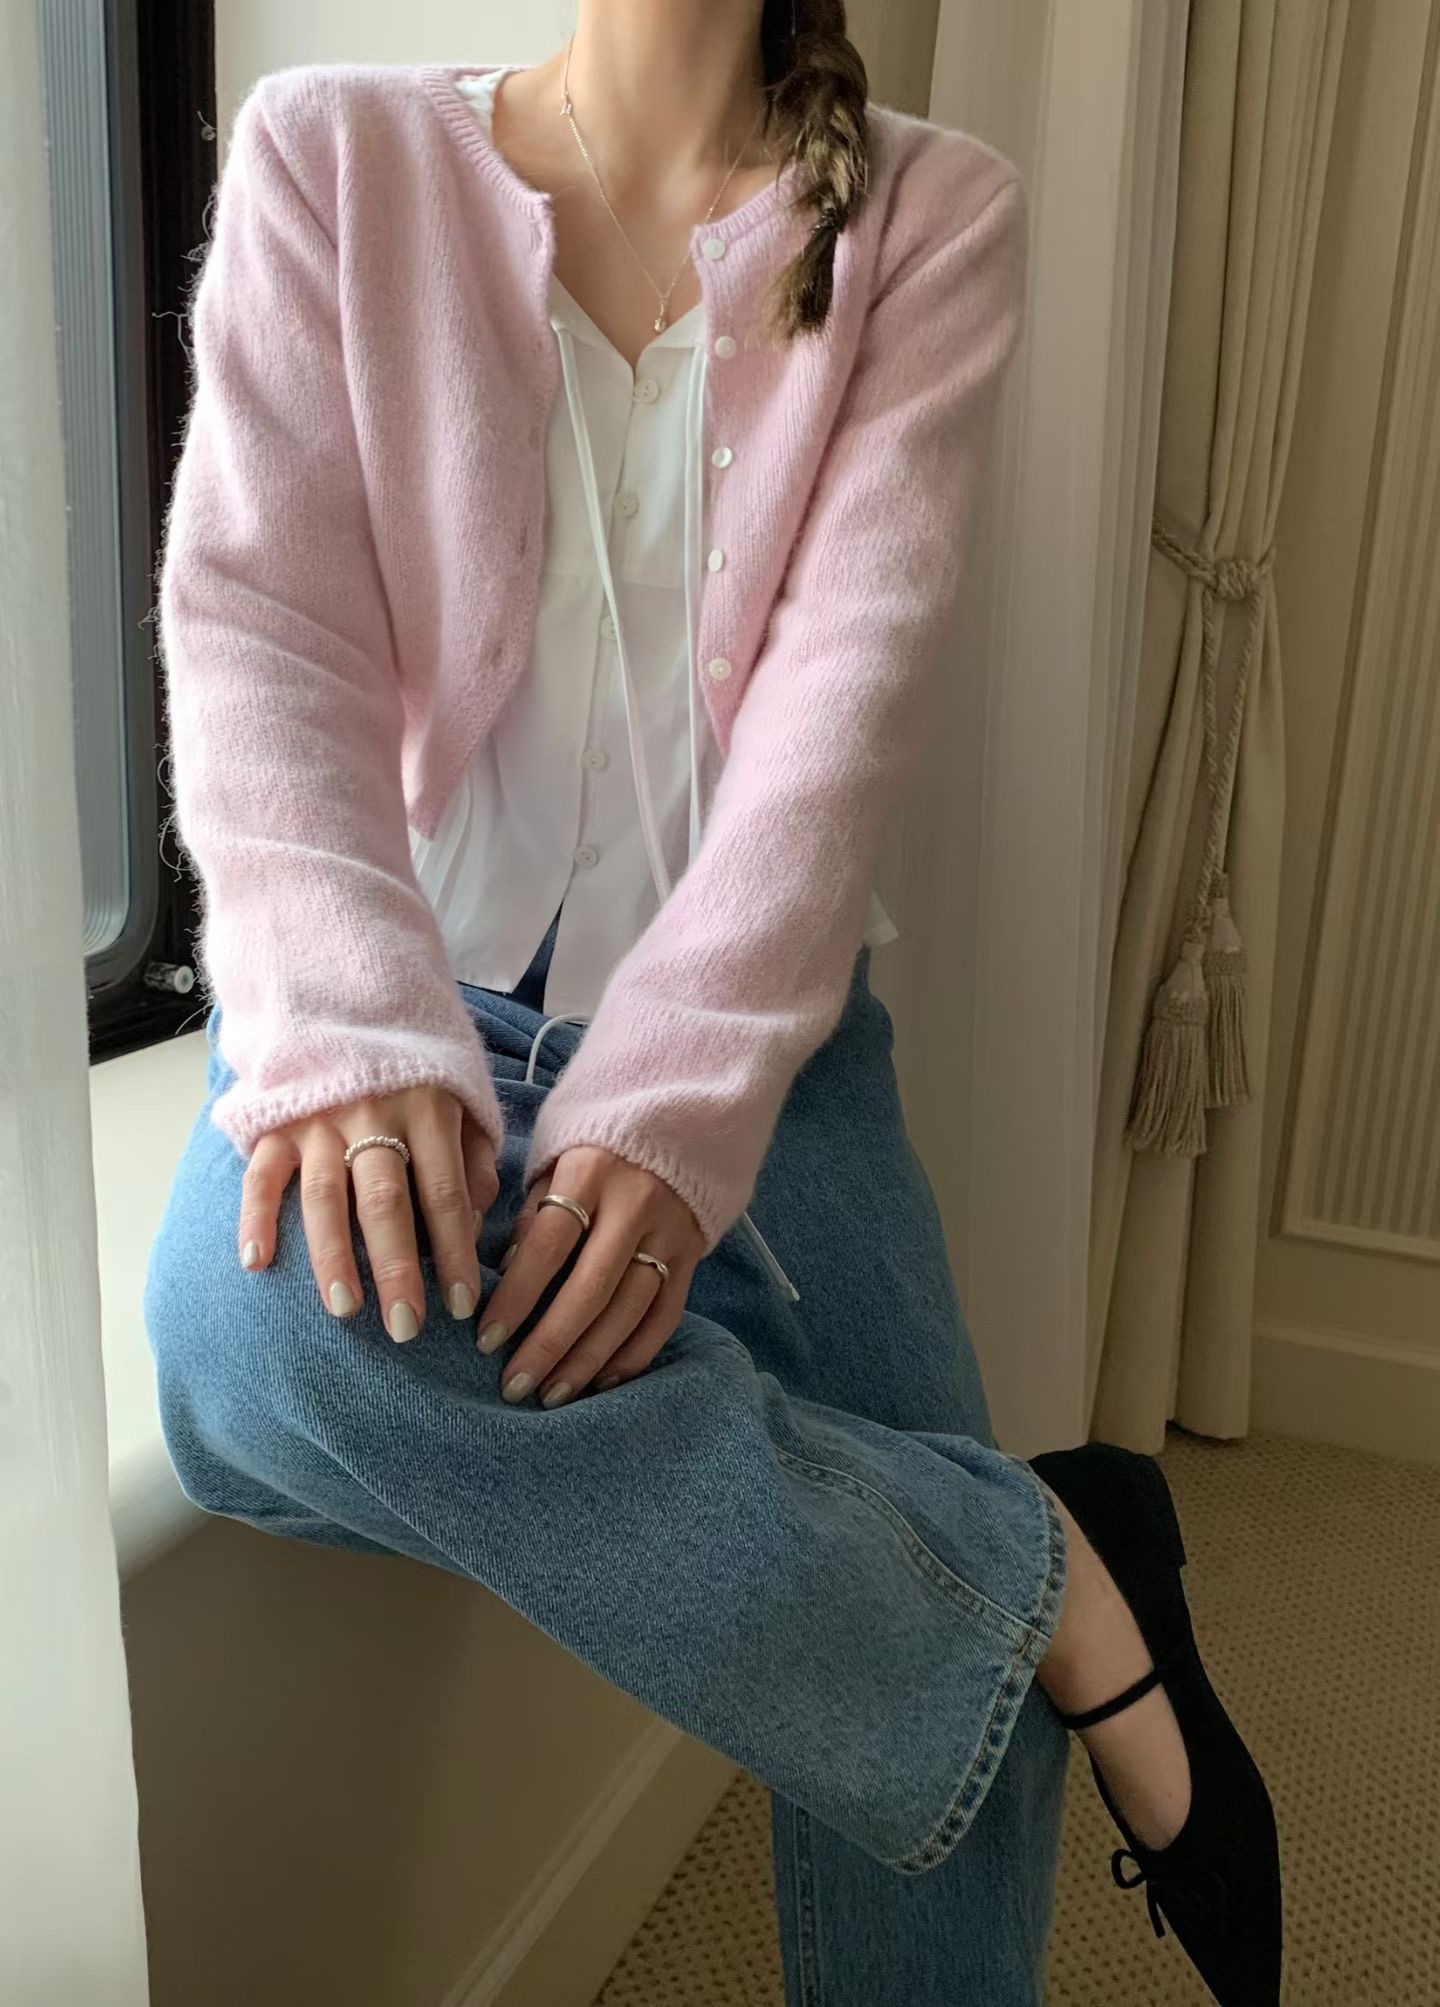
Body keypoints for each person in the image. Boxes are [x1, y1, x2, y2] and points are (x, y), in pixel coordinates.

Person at [144, 6, 1281, 2002]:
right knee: (256, 1344)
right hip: (409, 1011)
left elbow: (846, 703)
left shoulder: (929, 211)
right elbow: (259, 626)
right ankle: (1049, 1573)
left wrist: (677, 1106)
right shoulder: (332, 154)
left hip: (769, 1047)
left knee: (923, 1640)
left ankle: (988, 1592)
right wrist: (345, 1013)